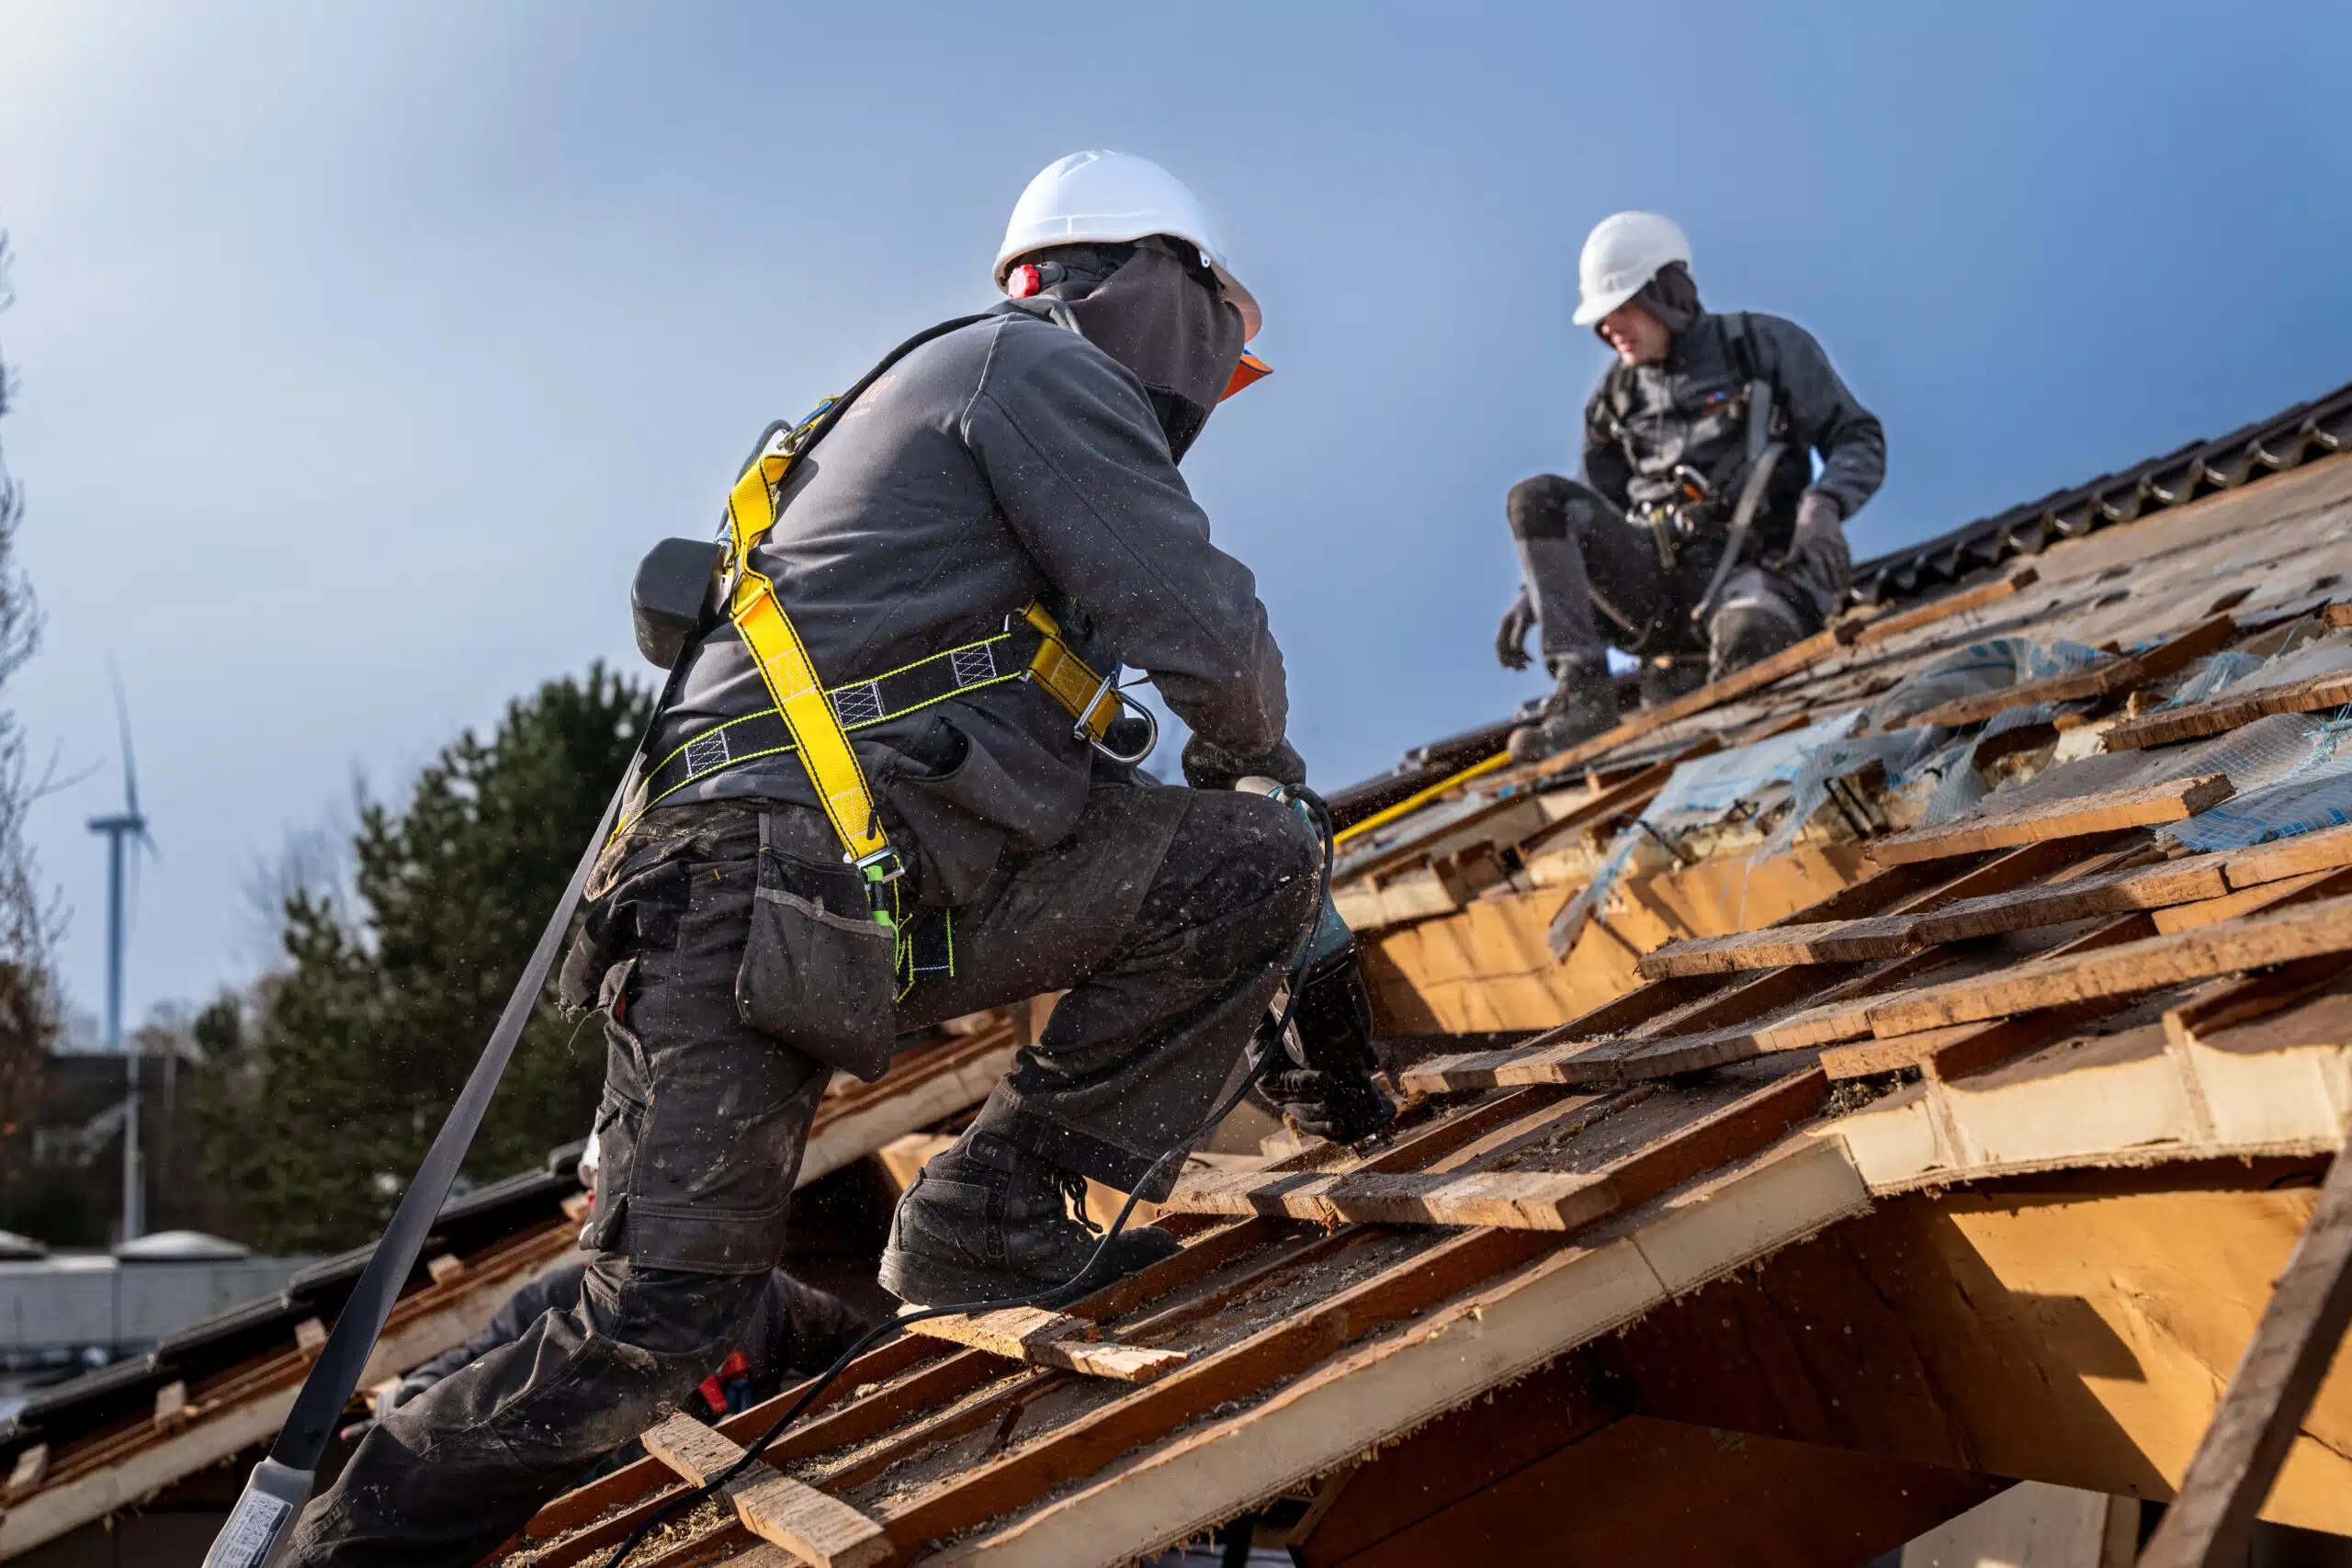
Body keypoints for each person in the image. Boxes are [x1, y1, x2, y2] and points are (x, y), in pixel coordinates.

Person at [285, 150, 1388, 1566]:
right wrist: (1272, 779)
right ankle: (338, 1553)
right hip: (748, 894)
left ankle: (988, 1217)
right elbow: (1208, 630)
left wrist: (1265, 843)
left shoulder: (950, 413)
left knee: (1238, 862)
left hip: (867, 894)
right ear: (1161, 282)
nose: (1205, 402)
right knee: (655, 1310)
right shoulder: (1032, 371)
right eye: (1219, 349)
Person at [1497, 211, 1886, 761]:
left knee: (1752, 650)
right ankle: (1582, 696)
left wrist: (1824, 504)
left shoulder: (1762, 348)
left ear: (1665, 293)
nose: (1609, 331)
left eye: (1621, 309)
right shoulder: (1616, 398)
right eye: (1601, 321)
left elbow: (1857, 436)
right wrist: (1531, 593)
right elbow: (1586, 509)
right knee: (1535, 499)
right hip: (1658, 597)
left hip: (1756, 579)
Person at [368, 1133, 871, 1430]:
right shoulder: (553, 1307)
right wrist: (399, 1405)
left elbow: (861, 1345)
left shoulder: (755, 1292)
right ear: (596, 1214)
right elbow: (454, 1383)